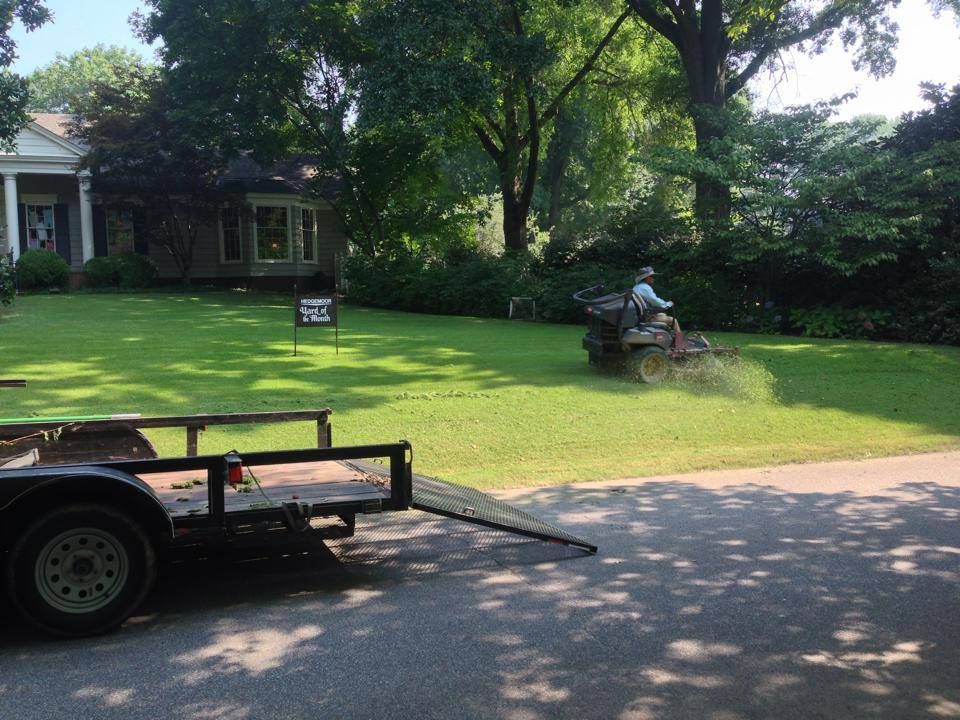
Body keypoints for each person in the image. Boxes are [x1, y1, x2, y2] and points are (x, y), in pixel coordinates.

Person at [632, 266, 679, 332]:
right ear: (647, 278)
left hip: (643, 315)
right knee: (673, 320)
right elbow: (655, 301)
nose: (654, 279)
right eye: (653, 277)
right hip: (647, 317)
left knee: (662, 315)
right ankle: (679, 341)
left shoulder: (636, 287)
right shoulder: (645, 288)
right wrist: (668, 304)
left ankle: (671, 338)